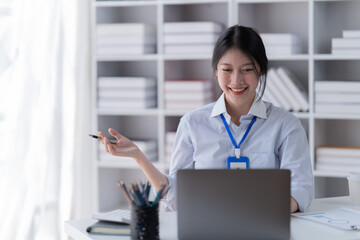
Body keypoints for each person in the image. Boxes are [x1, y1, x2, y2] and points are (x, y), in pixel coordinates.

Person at [97, 25, 314, 213]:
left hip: (266, 226)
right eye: (227, 70)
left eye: (247, 70)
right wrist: (138, 156)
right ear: (215, 71)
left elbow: (300, 190)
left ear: (261, 70)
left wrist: (255, 211)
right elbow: (175, 195)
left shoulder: (286, 125)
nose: (236, 80)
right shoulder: (192, 123)